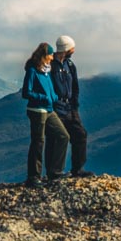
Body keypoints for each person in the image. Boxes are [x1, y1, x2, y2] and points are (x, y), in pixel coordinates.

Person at [21, 41, 69, 187]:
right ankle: (33, 177)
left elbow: (50, 89)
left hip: (49, 110)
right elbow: (26, 92)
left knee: (63, 136)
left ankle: (55, 173)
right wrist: (43, 97)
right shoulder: (32, 71)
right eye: (50, 54)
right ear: (44, 55)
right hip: (37, 111)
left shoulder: (46, 71)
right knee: (38, 142)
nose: (52, 57)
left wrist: (53, 97)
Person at [50, 35, 94, 177]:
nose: (74, 51)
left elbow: (75, 86)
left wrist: (74, 107)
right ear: (66, 48)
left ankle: (77, 169)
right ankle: (54, 171)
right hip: (56, 108)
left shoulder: (69, 65)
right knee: (58, 138)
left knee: (80, 134)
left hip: (69, 108)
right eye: (72, 48)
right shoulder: (51, 66)